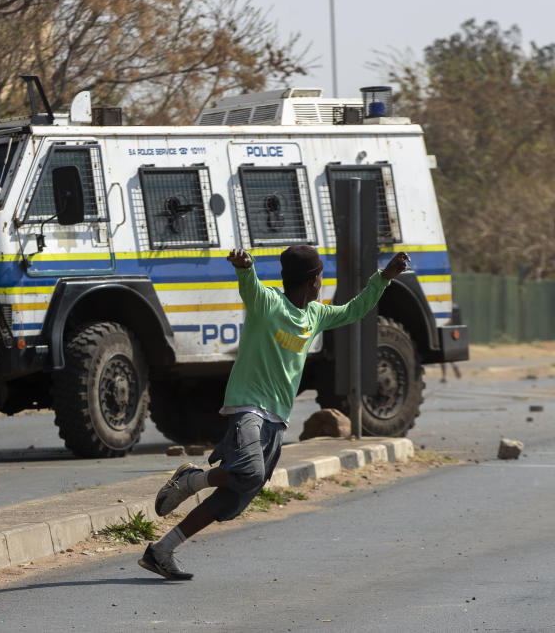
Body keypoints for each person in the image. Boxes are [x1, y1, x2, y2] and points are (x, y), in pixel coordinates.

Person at [138, 245, 411, 580]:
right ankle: (192, 479)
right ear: (312, 281)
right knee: (249, 474)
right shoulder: (267, 303)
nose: (322, 283)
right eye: (320, 276)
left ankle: (161, 551)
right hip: (248, 409)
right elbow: (249, 286)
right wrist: (244, 267)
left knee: (232, 498)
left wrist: (384, 277)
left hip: (276, 423)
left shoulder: (315, 315)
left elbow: (355, 310)